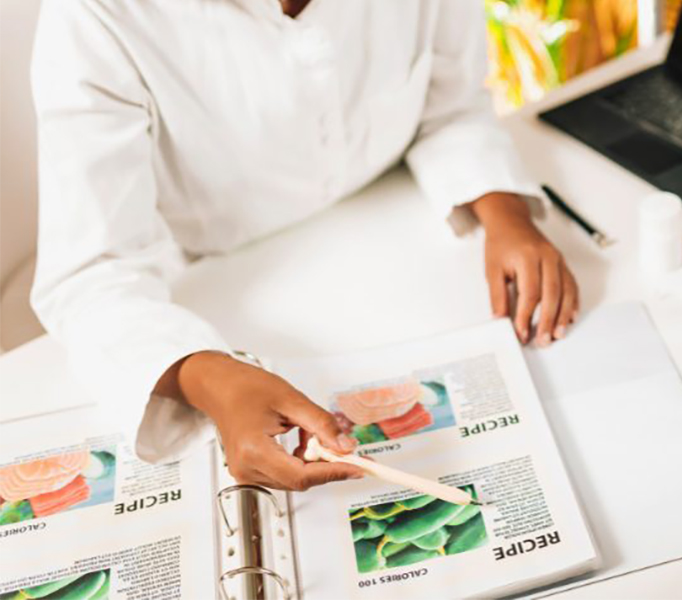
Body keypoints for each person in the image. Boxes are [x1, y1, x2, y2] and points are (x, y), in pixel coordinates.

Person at [29, 0, 579, 492]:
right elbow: (91, 274)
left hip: (405, 246)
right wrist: (209, 377)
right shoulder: (94, 17)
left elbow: (451, 105)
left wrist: (504, 212)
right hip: (217, 277)